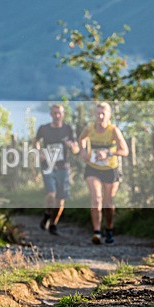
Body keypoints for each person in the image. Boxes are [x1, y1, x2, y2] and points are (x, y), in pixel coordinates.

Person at [78, 102, 129, 245]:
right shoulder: (90, 128)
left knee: (108, 202)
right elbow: (81, 140)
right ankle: (96, 232)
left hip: (110, 168)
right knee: (96, 198)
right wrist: (83, 153)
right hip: (93, 167)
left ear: (108, 115)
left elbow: (125, 151)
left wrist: (108, 152)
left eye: (103, 113)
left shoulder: (113, 130)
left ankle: (109, 229)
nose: (100, 116)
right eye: (98, 113)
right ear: (94, 115)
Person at [34, 104, 79, 235]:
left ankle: (53, 224)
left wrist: (72, 146)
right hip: (48, 166)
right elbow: (36, 143)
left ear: (63, 114)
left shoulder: (68, 129)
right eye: (54, 113)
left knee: (61, 199)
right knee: (51, 193)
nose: (57, 116)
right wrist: (39, 153)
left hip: (63, 167)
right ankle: (47, 213)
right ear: (51, 114)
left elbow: (76, 149)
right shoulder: (44, 129)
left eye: (59, 113)